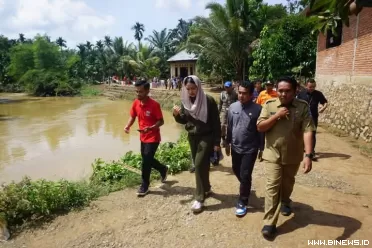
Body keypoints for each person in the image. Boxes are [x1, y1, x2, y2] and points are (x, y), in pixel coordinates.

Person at [257, 76, 315, 239]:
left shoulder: (303, 107)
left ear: (295, 90)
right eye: (280, 90)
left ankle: (286, 201)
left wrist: (308, 155)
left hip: (293, 155)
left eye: (287, 91)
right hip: (272, 154)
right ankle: (269, 222)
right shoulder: (269, 105)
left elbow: (308, 130)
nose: (283, 94)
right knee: (272, 185)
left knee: (287, 183)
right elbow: (260, 127)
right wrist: (276, 116)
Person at [173, 75, 221, 213]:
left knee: (198, 165)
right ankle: (206, 189)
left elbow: (215, 122)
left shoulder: (208, 100)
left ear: (198, 87)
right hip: (192, 137)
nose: (191, 92)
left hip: (206, 137)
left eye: (193, 88)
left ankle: (199, 198)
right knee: (202, 165)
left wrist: (217, 142)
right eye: (188, 89)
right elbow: (184, 121)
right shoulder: (185, 101)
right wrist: (176, 115)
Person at [124, 80, 169, 197]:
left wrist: (151, 128)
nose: (138, 94)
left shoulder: (154, 105)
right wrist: (128, 125)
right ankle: (163, 169)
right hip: (142, 136)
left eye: (141, 92)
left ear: (148, 91)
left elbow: (161, 121)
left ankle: (144, 185)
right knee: (147, 159)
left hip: (153, 137)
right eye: (137, 91)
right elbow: (132, 116)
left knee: (145, 161)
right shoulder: (135, 103)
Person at [225, 81, 264, 216]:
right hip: (235, 146)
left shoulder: (258, 109)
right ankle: (246, 186)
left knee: (245, 174)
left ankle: (243, 200)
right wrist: (227, 142)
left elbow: (261, 131)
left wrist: (261, 148)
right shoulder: (232, 107)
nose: (241, 96)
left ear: (251, 94)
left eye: (245, 93)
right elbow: (229, 126)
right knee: (237, 170)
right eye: (240, 92)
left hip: (250, 148)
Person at [296, 79, 328, 160]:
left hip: (313, 117)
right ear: (306, 86)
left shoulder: (318, 94)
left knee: (312, 134)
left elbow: (325, 102)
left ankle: (311, 152)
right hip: (302, 117)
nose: (311, 88)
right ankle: (302, 148)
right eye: (310, 87)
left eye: (313, 87)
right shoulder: (301, 94)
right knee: (300, 133)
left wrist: (323, 108)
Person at [218, 81, 238, 148]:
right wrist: (218, 112)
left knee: (232, 125)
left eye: (228, 87)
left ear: (231, 87)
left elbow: (237, 102)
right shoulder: (222, 94)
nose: (226, 88)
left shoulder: (235, 94)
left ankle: (231, 139)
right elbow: (220, 104)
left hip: (232, 111)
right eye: (225, 87)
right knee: (222, 125)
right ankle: (223, 139)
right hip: (224, 111)